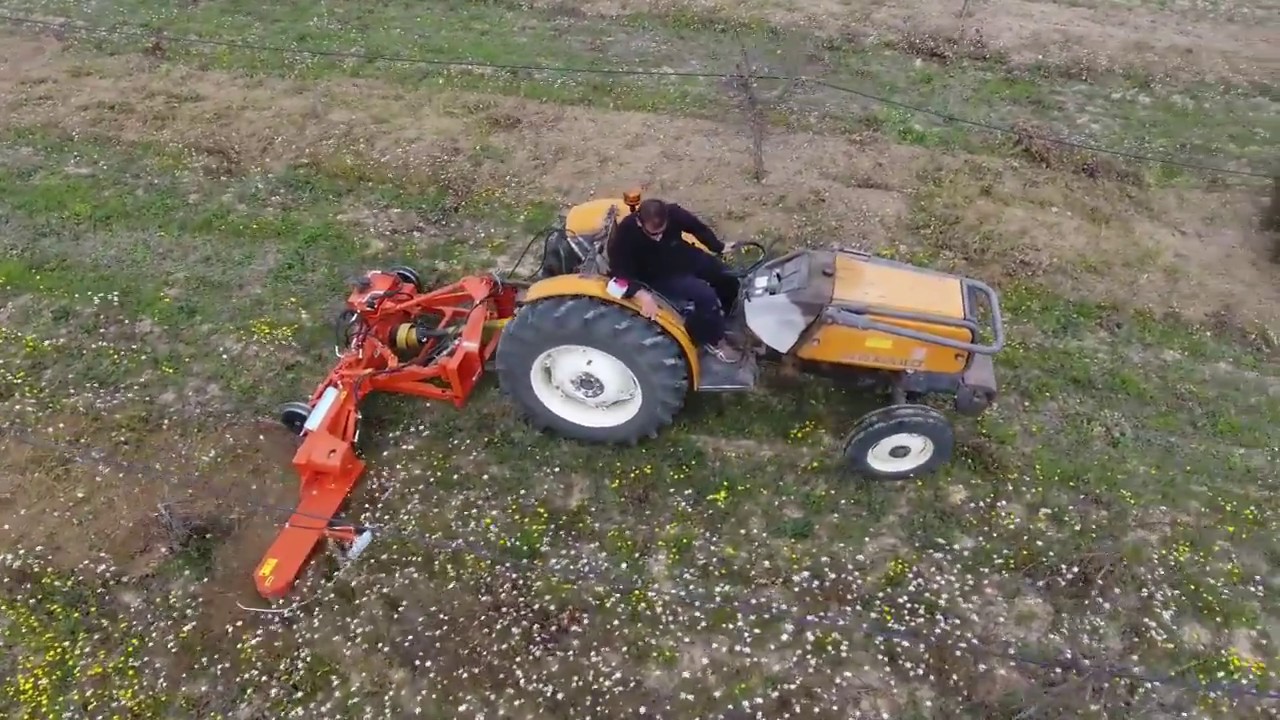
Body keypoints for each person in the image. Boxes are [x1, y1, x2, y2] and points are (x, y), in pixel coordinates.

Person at [606, 198, 743, 363]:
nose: (658, 237)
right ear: (639, 222)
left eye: (662, 231)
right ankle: (712, 339)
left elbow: (697, 228)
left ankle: (723, 315)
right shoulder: (626, 233)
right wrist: (640, 294)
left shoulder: (674, 213)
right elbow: (619, 271)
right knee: (704, 295)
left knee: (726, 276)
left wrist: (718, 247)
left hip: (679, 254)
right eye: (653, 234)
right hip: (656, 273)